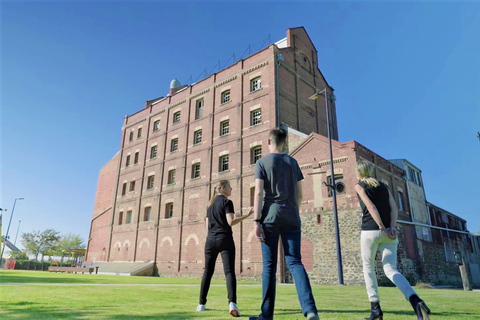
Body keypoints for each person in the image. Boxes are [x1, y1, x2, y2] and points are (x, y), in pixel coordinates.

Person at [249, 127, 319, 320]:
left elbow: (258, 193)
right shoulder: (293, 162)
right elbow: (300, 194)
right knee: (295, 262)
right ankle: (310, 310)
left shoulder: (262, 162)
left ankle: (266, 315)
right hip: (292, 216)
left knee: (269, 267)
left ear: (269, 142)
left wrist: (256, 221)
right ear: (285, 143)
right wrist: (294, 212)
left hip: (270, 217)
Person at [354, 161, 431, 320]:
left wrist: (381, 226)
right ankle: (415, 300)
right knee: (390, 269)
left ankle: (375, 308)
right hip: (390, 232)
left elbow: (371, 207)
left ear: (359, 173)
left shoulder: (359, 186)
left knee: (368, 267)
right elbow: (394, 208)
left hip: (370, 230)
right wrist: (392, 227)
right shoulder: (384, 186)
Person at [197, 179, 253, 317]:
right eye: (229, 187)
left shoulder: (209, 206)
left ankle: (201, 304)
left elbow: (206, 226)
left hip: (210, 240)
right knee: (229, 272)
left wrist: (212, 236)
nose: (231, 189)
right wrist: (247, 215)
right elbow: (231, 221)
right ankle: (232, 303)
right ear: (222, 188)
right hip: (225, 239)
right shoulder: (227, 202)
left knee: (207, 272)